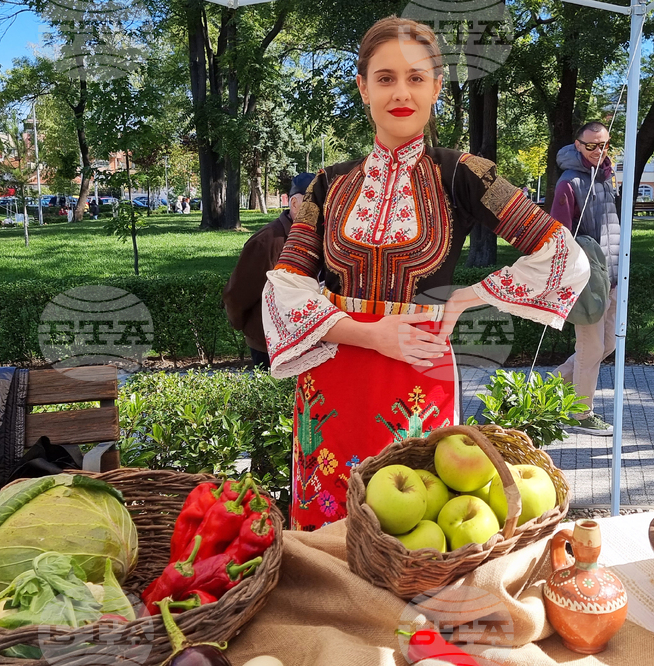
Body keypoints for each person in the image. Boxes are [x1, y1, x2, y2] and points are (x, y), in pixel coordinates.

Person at [262, 16, 589, 531]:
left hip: (415, 374)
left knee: (414, 533)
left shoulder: (464, 173)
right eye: (385, 78)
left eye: (416, 78)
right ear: (363, 87)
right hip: (332, 377)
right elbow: (285, 286)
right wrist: (371, 334)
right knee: (327, 539)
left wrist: (471, 295)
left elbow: (562, 252)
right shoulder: (327, 184)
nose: (401, 92)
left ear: (436, 87)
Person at [550, 121, 620, 437]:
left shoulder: (605, 177)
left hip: (612, 275)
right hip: (587, 280)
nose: (597, 151)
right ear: (577, 144)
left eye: (602, 145)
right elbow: (558, 236)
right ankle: (580, 414)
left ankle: (547, 386)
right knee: (590, 348)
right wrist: (569, 279)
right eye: (590, 145)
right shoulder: (569, 183)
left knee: (607, 344)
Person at [224, 172, 316, 370]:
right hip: (270, 345)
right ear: (294, 204)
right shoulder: (268, 240)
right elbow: (238, 295)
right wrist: (248, 329)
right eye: (315, 203)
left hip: (309, 342)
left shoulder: (319, 236)